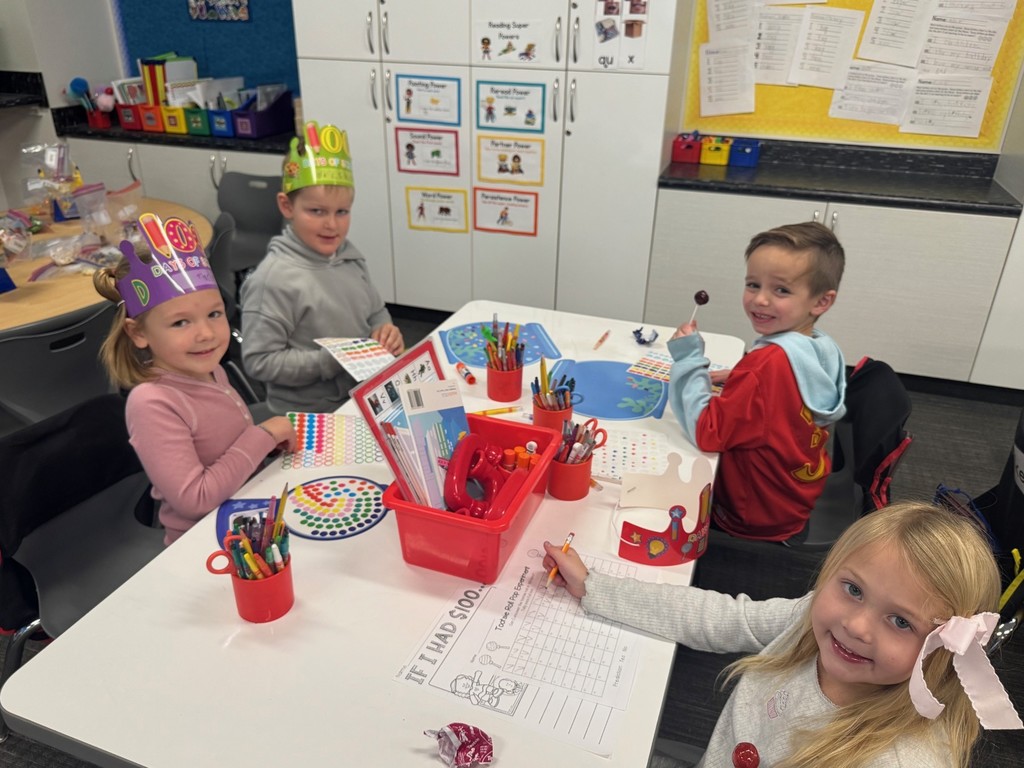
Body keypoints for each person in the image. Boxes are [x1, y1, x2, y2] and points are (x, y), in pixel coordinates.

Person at [542, 502, 1023, 768]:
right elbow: (719, 618)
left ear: (945, 650)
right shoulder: (812, 622)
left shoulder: (901, 759)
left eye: (901, 622)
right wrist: (596, 588)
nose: (856, 625)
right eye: (852, 589)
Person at [93, 213, 296, 545]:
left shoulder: (208, 368)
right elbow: (195, 499)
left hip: (249, 513)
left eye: (214, 314)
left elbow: (224, 447)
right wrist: (262, 436)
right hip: (204, 543)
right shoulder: (151, 403)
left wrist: (267, 448)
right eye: (180, 323)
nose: (206, 334)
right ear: (138, 332)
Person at [668, 221, 846, 542]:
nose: (760, 300)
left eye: (781, 290)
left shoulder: (764, 368)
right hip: (795, 495)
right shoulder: (821, 345)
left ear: (821, 301)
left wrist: (688, 359)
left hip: (755, 512)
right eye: (753, 284)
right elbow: (781, 396)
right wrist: (739, 376)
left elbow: (707, 431)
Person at [240, 121, 404, 414]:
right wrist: (334, 360)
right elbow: (260, 361)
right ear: (286, 206)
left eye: (342, 212)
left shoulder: (350, 257)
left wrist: (384, 328)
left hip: (361, 397)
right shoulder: (273, 280)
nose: (332, 224)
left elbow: (376, 311)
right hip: (309, 414)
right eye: (316, 211)